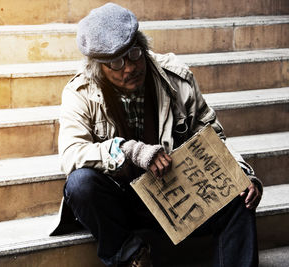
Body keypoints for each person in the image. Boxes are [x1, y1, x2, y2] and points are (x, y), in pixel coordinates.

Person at [51, 3, 263, 267]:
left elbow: (211, 136)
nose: (129, 67)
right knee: (80, 184)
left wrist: (241, 173)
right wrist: (129, 151)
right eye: (116, 62)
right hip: (122, 201)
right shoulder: (80, 93)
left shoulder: (177, 77)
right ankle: (132, 256)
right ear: (98, 67)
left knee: (240, 195)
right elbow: (71, 154)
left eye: (134, 54)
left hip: (175, 195)